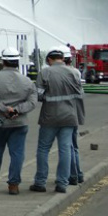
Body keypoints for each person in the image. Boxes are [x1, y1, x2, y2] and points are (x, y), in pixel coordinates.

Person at [0, 47, 37, 195]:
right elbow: (32, 102)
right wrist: (17, 110)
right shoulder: (28, 81)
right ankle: (13, 185)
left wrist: (5, 109)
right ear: (17, 62)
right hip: (19, 123)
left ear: (3, 61)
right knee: (17, 154)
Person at [30, 47, 85, 194]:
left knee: (43, 149)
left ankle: (40, 182)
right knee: (65, 149)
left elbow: (39, 95)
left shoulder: (45, 72)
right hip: (69, 117)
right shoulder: (75, 72)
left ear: (49, 59)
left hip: (50, 117)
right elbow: (80, 94)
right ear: (61, 58)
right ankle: (62, 183)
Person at [63, 47, 84, 186]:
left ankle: (73, 175)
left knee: (67, 146)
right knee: (74, 146)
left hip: (65, 114)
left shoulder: (62, 73)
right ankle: (79, 174)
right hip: (74, 113)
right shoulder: (76, 72)